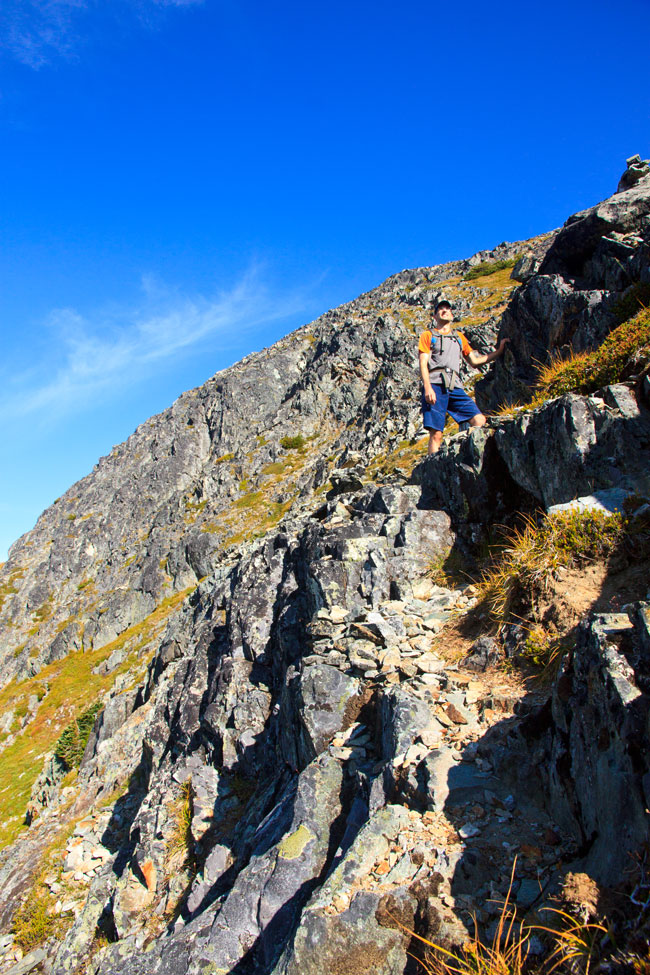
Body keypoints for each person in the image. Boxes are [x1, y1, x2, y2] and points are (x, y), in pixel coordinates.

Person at [418, 299, 509, 455]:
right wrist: (427, 387)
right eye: (441, 309)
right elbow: (423, 363)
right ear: (434, 316)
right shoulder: (428, 335)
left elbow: (474, 361)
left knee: (479, 420)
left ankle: (466, 454)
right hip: (435, 385)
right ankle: (434, 471)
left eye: (448, 308)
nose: (445, 310)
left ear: (452, 314)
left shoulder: (459, 337)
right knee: (436, 434)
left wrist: (499, 351)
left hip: (455, 386)